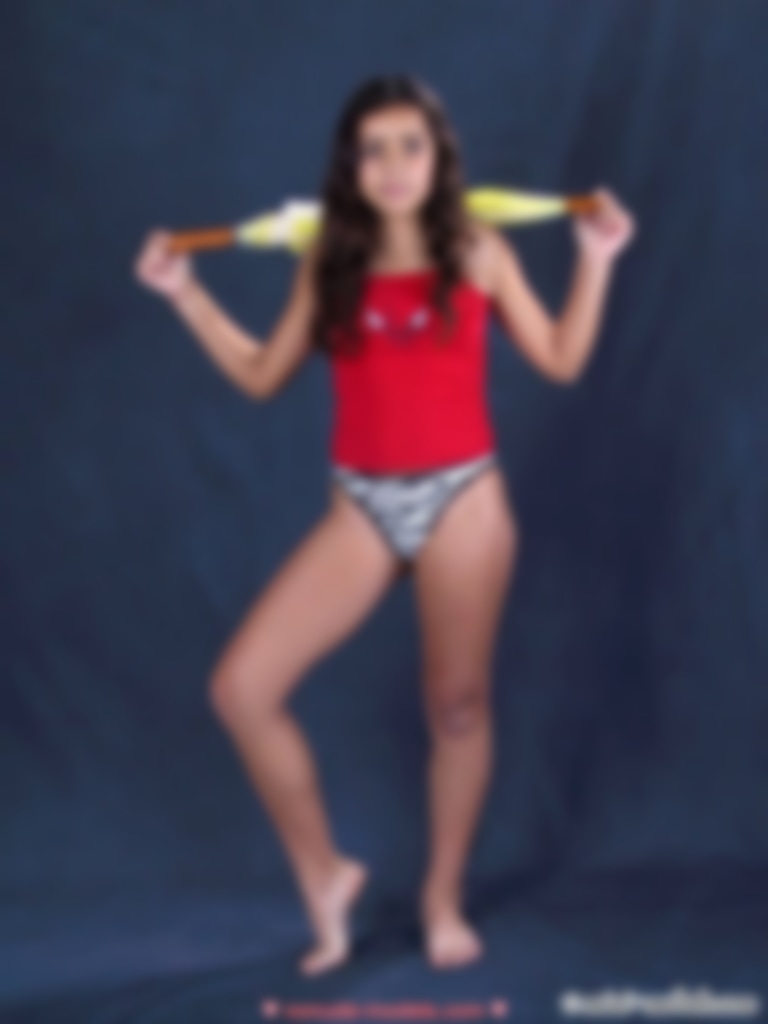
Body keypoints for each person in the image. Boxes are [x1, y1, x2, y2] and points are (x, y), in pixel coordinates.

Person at [133, 73, 636, 976]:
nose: (394, 165)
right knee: (243, 688)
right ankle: (325, 876)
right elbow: (262, 376)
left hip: (462, 499)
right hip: (360, 505)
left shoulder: (479, 251)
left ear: (440, 159)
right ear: (350, 166)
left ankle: (443, 898)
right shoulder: (328, 260)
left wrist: (596, 260)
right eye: (374, 149)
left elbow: (562, 360)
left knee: (457, 707)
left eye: (412, 145)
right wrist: (185, 295)